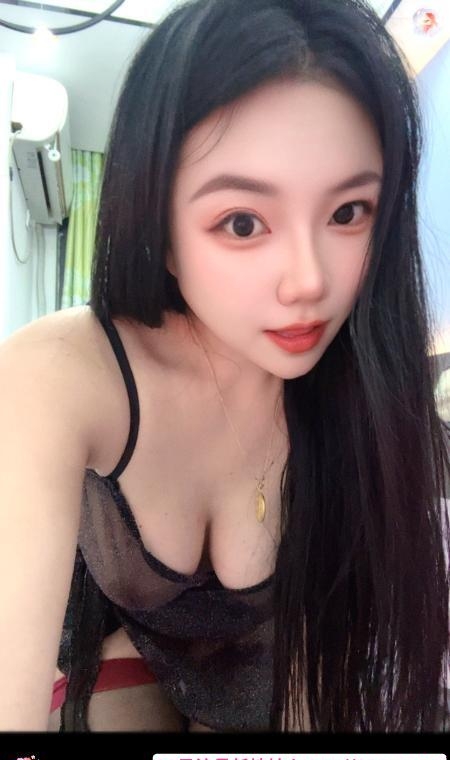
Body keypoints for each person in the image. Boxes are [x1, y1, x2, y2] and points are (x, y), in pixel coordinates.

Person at [0, 0, 449, 733]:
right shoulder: (59, 377)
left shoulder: (365, 398)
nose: (309, 281)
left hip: (286, 683)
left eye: (348, 213)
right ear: (159, 225)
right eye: (243, 223)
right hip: (138, 661)